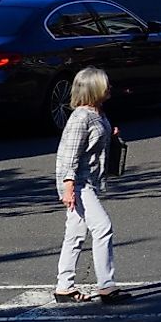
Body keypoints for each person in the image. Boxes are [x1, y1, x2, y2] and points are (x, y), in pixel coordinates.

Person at [53, 68, 125, 304]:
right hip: (79, 183)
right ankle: (106, 285)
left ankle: (64, 286)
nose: (109, 88)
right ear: (94, 89)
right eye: (105, 85)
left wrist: (110, 136)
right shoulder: (81, 118)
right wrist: (69, 188)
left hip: (88, 182)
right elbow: (69, 156)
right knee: (103, 227)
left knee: (74, 233)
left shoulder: (98, 113)